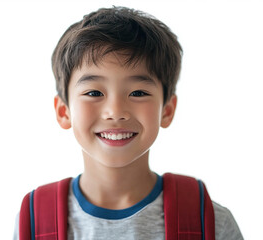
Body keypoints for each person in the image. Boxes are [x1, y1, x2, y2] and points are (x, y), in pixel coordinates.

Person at [14, 6, 243, 240]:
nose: (116, 112)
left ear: (167, 110)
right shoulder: (36, 222)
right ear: (64, 111)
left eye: (138, 93)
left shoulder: (211, 222)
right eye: (94, 93)